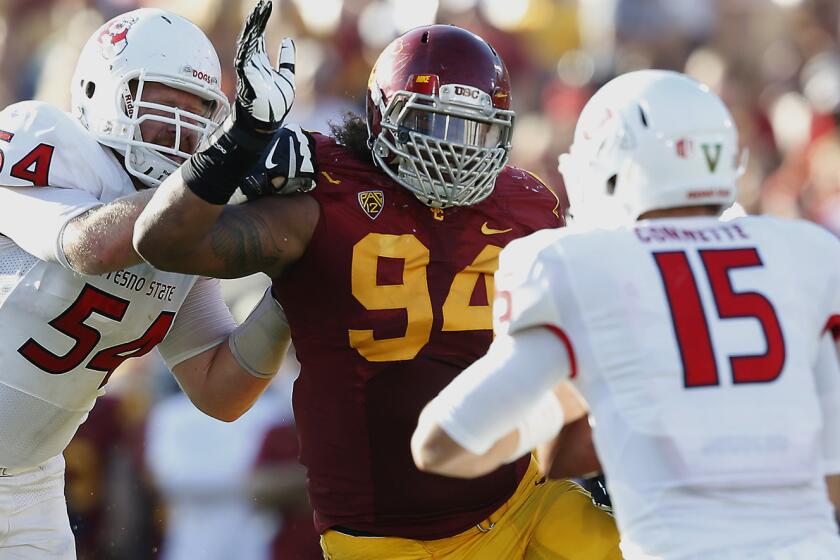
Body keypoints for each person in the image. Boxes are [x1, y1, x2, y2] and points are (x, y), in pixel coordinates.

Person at [134, 24, 622, 560]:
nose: (453, 151)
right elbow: (164, 243)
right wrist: (239, 143)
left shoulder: (527, 205)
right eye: (432, 124)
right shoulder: (324, 195)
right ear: (383, 116)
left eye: (472, 131)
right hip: (389, 539)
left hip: (524, 500)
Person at [411, 70, 840, 559]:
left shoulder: (583, 265)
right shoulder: (805, 252)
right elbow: (831, 478)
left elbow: (442, 443)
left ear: (612, 167)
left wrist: (570, 407)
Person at [0, 3, 297, 557]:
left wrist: (291, 289)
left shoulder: (187, 221)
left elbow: (219, 389)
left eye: (199, 107)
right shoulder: (47, 139)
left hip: (29, 482)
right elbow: (86, 245)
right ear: (99, 90)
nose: (181, 124)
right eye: (160, 98)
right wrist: (228, 166)